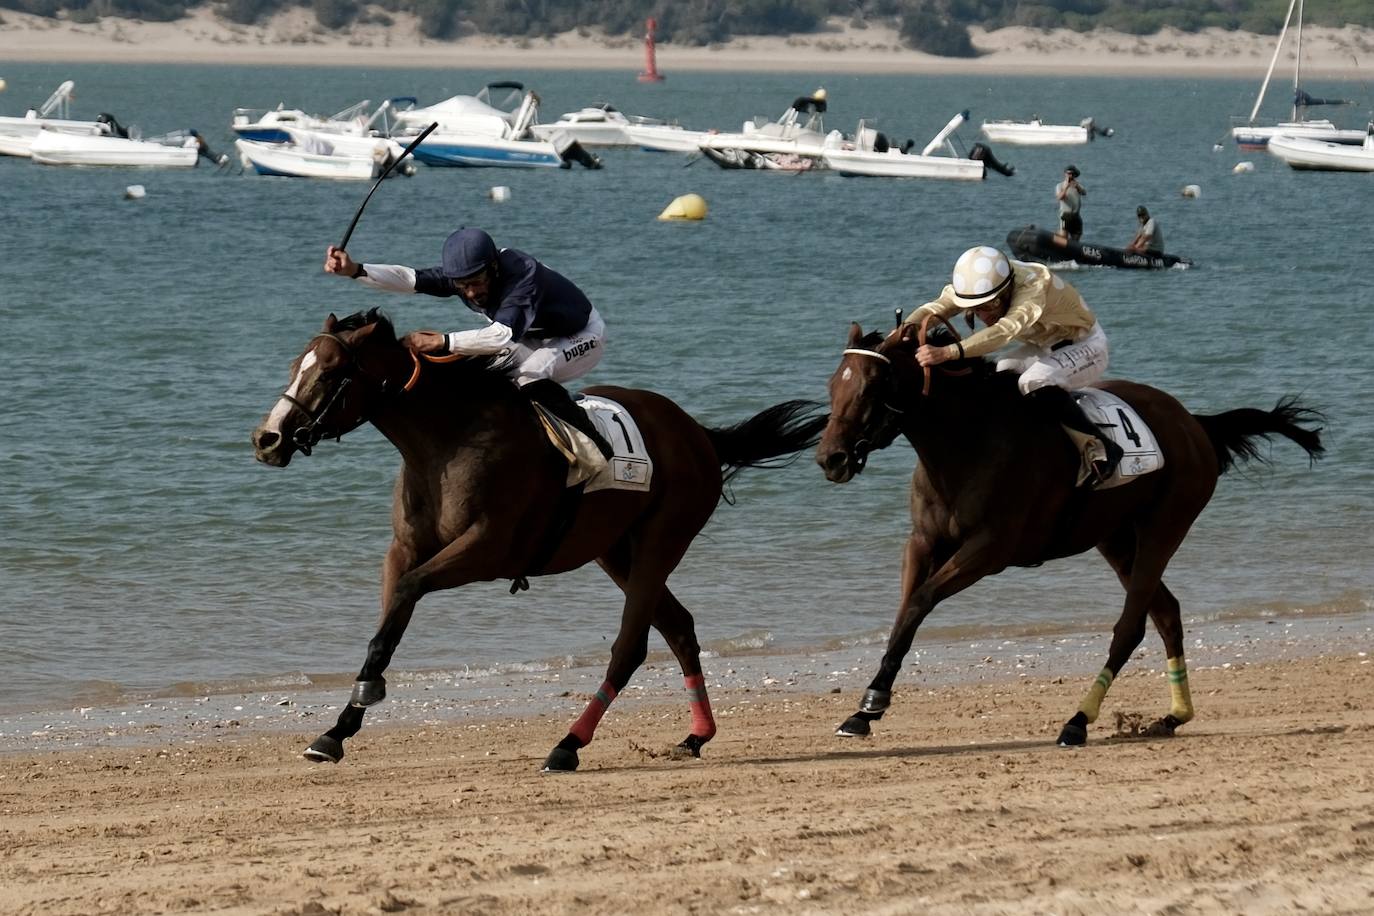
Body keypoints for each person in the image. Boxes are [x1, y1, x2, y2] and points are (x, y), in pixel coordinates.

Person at [324, 228, 610, 455]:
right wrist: (356, 270)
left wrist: (442, 341)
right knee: (485, 374)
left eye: (476, 283)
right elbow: (411, 279)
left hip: (581, 334)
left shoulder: (523, 274)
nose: (470, 293)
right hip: (533, 335)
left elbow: (501, 336)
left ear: (494, 268)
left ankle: (593, 444)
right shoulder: (463, 273)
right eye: (463, 285)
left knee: (528, 375)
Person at [910, 245, 1123, 486]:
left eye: (988, 307)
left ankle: (1099, 447)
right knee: (1000, 372)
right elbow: (936, 308)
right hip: (1045, 345)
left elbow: (1003, 332)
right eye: (975, 310)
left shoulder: (1032, 287)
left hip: (1087, 345)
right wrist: (902, 331)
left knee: (1033, 381)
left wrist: (947, 352)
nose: (983, 316)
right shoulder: (980, 284)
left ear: (1006, 291)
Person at [1055, 165, 1085, 240]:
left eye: (1072, 174)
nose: (1070, 176)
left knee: (1076, 238)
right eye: (1068, 173)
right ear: (1065, 174)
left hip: (1076, 215)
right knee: (1063, 236)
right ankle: (1056, 237)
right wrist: (1066, 188)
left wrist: (1077, 186)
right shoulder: (1060, 185)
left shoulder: (1078, 185)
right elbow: (1059, 197)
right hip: (1065, 215)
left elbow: (1084, 193)